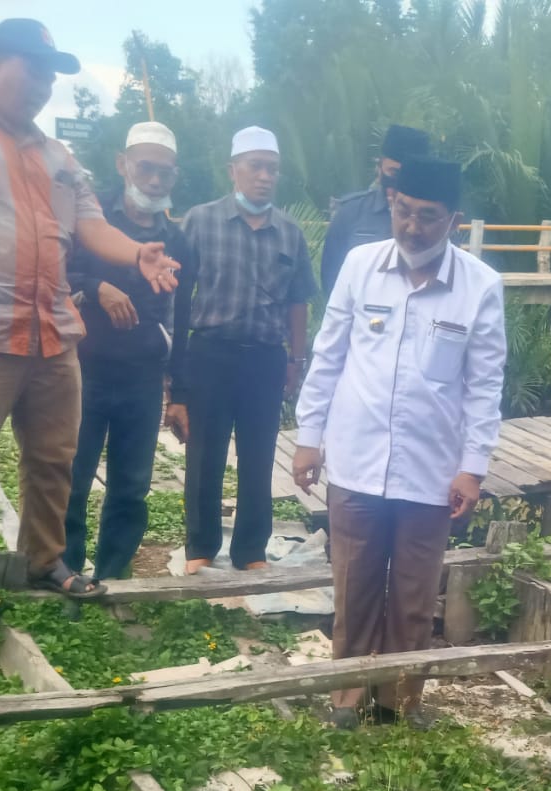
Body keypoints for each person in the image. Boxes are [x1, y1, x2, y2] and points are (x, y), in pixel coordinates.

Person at [0, 18, 179, 597]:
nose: (45, 84)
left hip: (51, 330)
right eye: (34, 69)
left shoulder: (58, 154)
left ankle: (44, 560)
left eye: (51, 74)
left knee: (54, 457)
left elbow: (90, 223)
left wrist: (138, 255)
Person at [292, 157, 505, 728]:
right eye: (403, 211)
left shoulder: (481, 287)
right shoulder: (361, 266)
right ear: (391, 202)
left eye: (428, 218)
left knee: (413, 597)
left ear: (453, 220)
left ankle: (399, 704)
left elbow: (485, 385)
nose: (412, 227)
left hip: (431, 473)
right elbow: (328, 353)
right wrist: (308, 437)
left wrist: (473, 468)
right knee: (354, 584)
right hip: (356, 463)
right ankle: (345, 699)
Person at [174, 126, 317, 574]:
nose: (264, 176)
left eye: (272, 168)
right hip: (210, 354)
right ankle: (200, 546)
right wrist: (173, 370)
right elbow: (179, 296)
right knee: (205, 453)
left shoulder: (289, 232)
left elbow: (299, 301)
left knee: (258, 455)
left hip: (264, 359)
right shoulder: (200, 221)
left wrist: (296, 360)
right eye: (255, 166)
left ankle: (251, 550)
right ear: (232, 170)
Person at [63, 121, 194, 582]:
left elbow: (184, 314)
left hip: (142, 377)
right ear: (123, 165)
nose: (155, 180)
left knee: (132, 487)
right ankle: (67, 576)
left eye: (166, 172)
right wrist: (99, 287)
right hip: (84, 371)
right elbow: (59, 273)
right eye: (146, 168)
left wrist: (177, 389)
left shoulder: (176, 240)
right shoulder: (91, 220)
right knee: (71, 480)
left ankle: (113, 579)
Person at [320, 123, 430, 295]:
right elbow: (331, 280)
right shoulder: (350, 214)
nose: (401, 181)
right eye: (394, 172)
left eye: (409, 174)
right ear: (379, 167)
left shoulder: (437, 220)